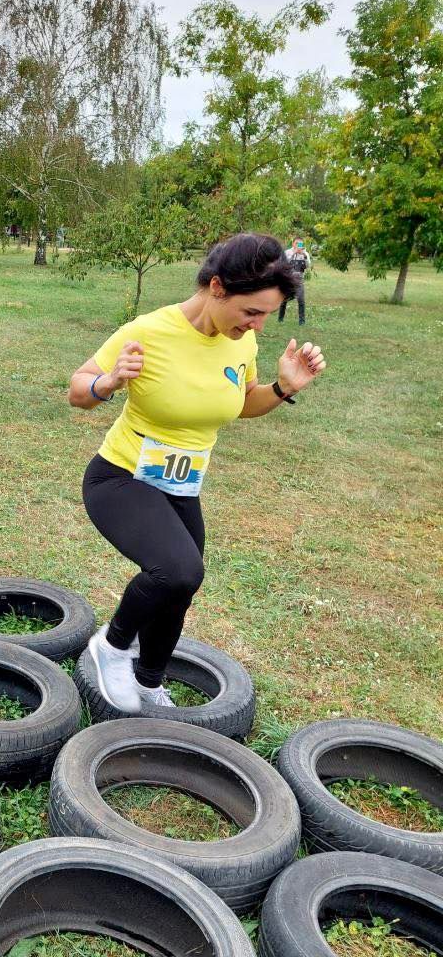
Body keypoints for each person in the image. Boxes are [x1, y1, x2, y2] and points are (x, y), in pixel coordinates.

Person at [69, 233, 326, 713]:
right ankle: (111, 646)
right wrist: (110, 381)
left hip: (178, 485)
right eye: (252, 312)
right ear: (216, 288)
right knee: (177, 569)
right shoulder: (148, 330)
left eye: (267, 314)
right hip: (120, 478)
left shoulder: (240, 340)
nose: (259, 326)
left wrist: (284, 387)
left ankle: (148, 681)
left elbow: (243, 402)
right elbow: (78, 390)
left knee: (181, 586)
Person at [279, 238, 311, 325]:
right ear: (293, 244)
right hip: (288, 278)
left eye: (300, 244)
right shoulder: (287, 252)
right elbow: (283, 264)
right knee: (284, 299)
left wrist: (303, 255)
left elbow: (308, 265)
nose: (298, 245)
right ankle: (280, 319)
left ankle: (302, 322)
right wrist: (294, 253)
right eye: (297, 243)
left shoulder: (305, 253)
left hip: (299, 279)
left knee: (301, 300)